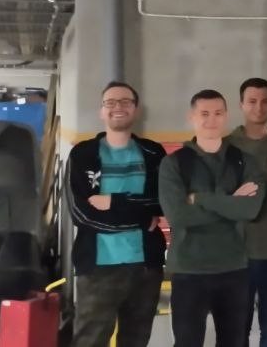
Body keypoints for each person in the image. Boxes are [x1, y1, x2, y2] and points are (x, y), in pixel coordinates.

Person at [159, 90, 265, 347]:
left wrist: (201, 199)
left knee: (234, 342)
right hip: (188, 269)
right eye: (204, 114)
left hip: (234, 268)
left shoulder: (243, 161)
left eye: (218, 113)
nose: (211, 120)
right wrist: (230, 202)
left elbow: (250, 210)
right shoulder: (174, 164)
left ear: (226, 116)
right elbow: (178, 216)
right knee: (187, 342)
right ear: (192, 117)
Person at [66, 81, 166, 347]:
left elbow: (161, 202)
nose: (118, 107)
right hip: (97, 268)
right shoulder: (83, 154)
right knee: (89, 341)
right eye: (110, 102)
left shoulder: (153, 153)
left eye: (125, 102)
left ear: (136, 109)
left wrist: (113, 201)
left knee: (136, 340)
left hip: (145, 267)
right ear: (102, 111)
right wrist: (141, 217)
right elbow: (80, 214)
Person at [228, 78, 267, 347]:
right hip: (235, 253)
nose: (259, 107)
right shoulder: (225, 146)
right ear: (241, 104)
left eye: (265, 101)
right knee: (235, 331)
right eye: (252, 101)